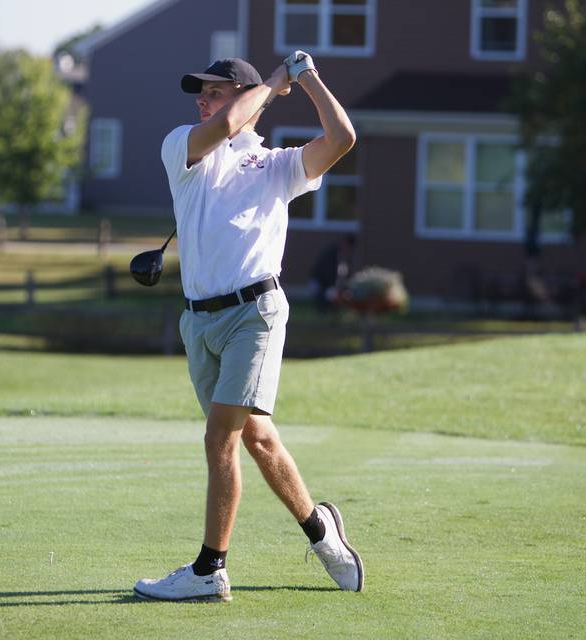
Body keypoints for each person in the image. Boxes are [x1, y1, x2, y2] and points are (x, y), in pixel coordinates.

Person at [133, 53, 363, 602]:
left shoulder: (277, 165)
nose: (202, 101)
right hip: (199, 323)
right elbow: (225, 126)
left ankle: (210, 569)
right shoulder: (182, 144)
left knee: (221, 437)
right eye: (202, 93)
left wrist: (304, 80)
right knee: (257, 437)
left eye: (215, 91)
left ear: (244, 94)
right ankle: (321, 530)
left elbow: (342, 137)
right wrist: (274, 82)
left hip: (255, 313)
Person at [310, 234, 356, 312]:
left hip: (331, 284)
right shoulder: (332, 253)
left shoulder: (345, 257)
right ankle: (323, 310)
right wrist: (333, 286)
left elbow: (345, 274)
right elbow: (326, 272)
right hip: (321, 281)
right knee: (329, 294)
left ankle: (333, 310)